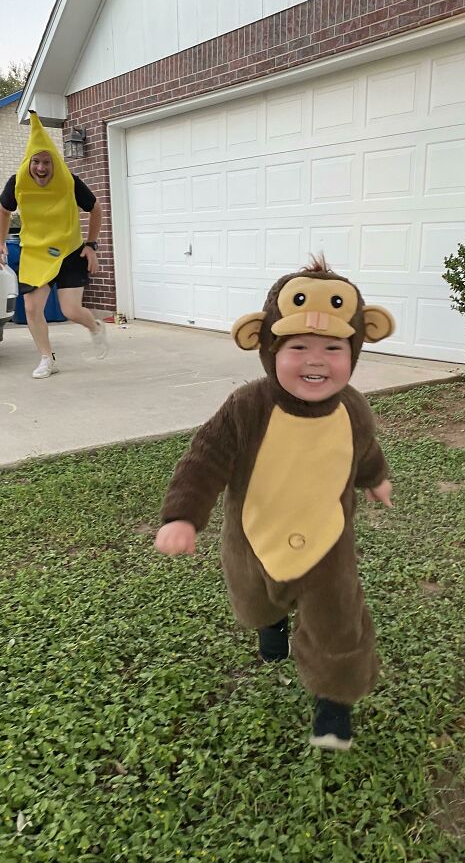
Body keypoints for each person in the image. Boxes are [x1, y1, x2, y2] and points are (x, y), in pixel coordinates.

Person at [154, 255, 396, 751]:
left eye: (333, 348)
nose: (316, 361)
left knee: (338, 620)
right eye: (298, 347)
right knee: (255, 596)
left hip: (328, 537)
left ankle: (334, 703)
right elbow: (205, 458)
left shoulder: (353, 408)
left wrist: (375, 479)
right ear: (265, 345)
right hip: (254, 533)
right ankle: (271, 626)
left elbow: (364, 450)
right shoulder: (248, 406)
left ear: (354, 350)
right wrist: (182, 515)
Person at [0, 112, 108, 379]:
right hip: (35, 252)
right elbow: (2, 211)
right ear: (29, 162)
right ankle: (48, 358)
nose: (41, 168)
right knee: (32, 308)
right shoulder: (17, 182)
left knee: (71, 310)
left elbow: (95, 209)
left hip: (69, 250)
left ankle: (95, 327)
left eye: (46, 162)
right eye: (36, 161)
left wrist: (91, 245)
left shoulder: (69, 181)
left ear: (54, 162)